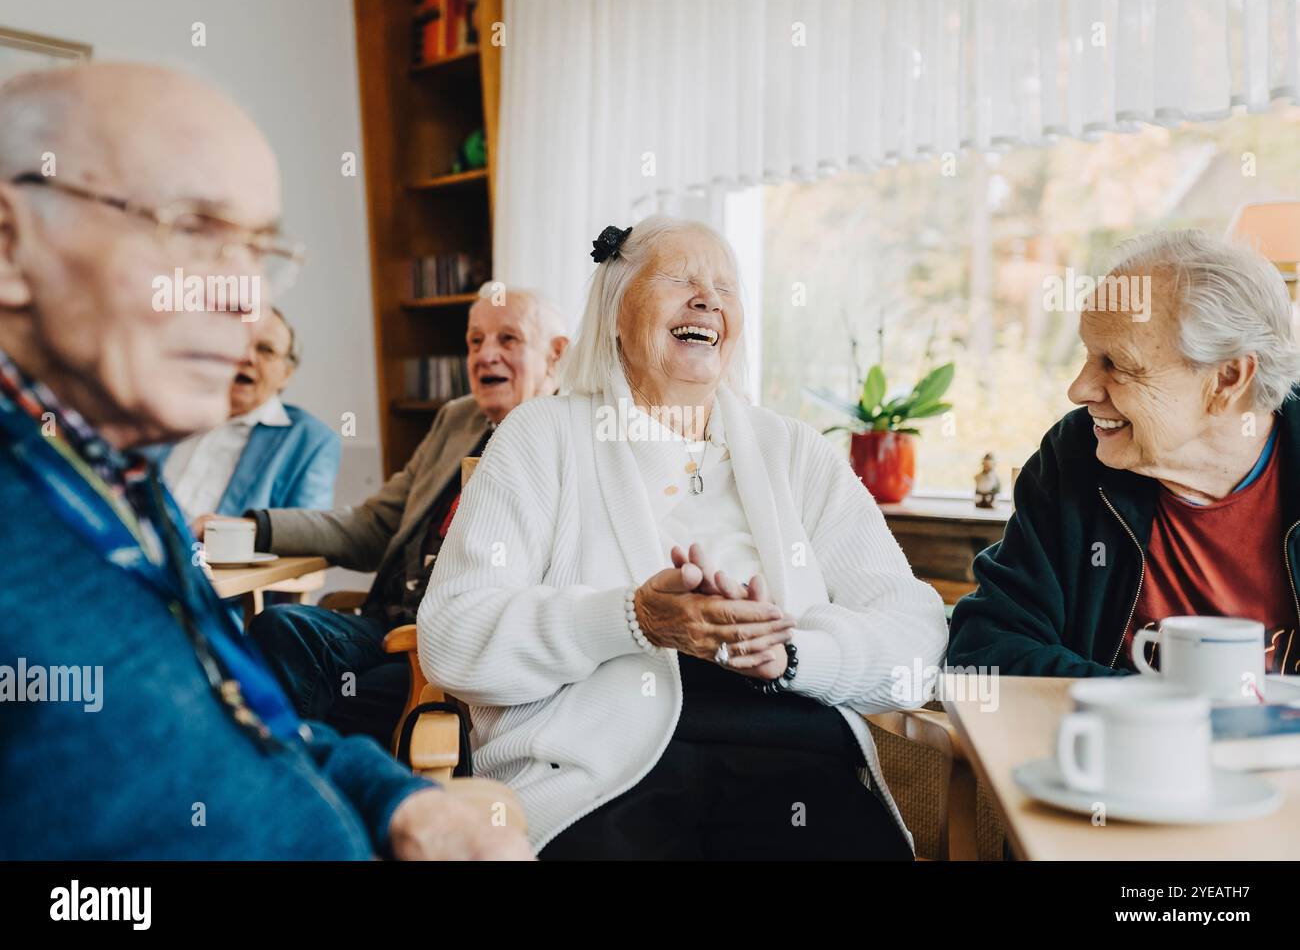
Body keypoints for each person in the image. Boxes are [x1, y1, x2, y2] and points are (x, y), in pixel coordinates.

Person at [0, 62, 529, 859]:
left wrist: (396, 801)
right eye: (193, 231)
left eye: (256, 250)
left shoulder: (122, 483)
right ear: (11, 246)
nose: (246, 305)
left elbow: (246, 719)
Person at [419, 216, 949, 859]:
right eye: (679, 280)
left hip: (794, 762)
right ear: (615, 311)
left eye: (726, 288)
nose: (708, 301)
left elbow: (915, 634)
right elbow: (452, 635)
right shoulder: (539, 436)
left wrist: (793, 656)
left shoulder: (795, 452)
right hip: (599, 774)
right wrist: (632, 619)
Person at [206, 286, 568, 744]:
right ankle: (283, 770)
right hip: (386, 622)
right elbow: (372, 525)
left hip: (447, 647)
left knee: (339, 696)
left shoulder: (562, 438)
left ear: (555, 355)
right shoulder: (457, 419)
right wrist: (259, 528)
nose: (485, 355)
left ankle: (296, 771)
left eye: (508, 339)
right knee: (280, 627)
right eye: (475, 341)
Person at [949, 230, 1300, 677]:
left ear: (1227, 378)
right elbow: (985, 651)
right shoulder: (1074, 456)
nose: (1079, 389)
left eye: (1117, 364)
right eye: (1089, 355)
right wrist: (1162, 705)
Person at [160, 306, 339, 530]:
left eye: (266, 350)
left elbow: (309, 534)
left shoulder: (311, 441)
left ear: (286, 374)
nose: (247, 357)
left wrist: (229, 531)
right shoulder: (168, 410)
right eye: (237, 343)